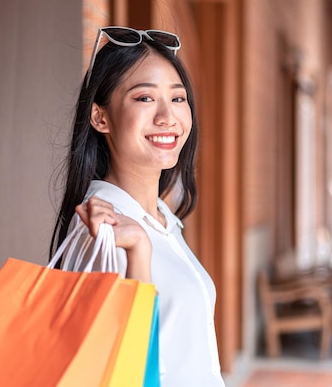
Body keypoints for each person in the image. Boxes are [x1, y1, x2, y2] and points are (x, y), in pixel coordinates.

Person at [50, 26, 225, 387]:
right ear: (101, 118)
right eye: (144, 98)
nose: (168, 117)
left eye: (178, 99)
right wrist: (139, 251)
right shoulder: (102, 231)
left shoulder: (164, 221)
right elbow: (117, 375)